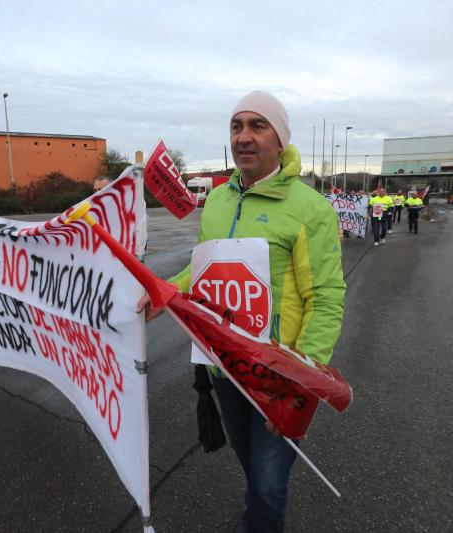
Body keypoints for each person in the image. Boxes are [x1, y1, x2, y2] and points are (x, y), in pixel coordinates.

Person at [138, 90, 345, 532]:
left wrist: (302, 379)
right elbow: (202, 270)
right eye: (236, 126)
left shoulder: (311, 209)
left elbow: (325, 299)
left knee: (270, 485)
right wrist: (162, 293)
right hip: (224, 369)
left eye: (257, 125)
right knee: (249, 461)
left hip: (278, 378)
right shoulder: (215, 201)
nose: (244, 137)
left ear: (280, 139)